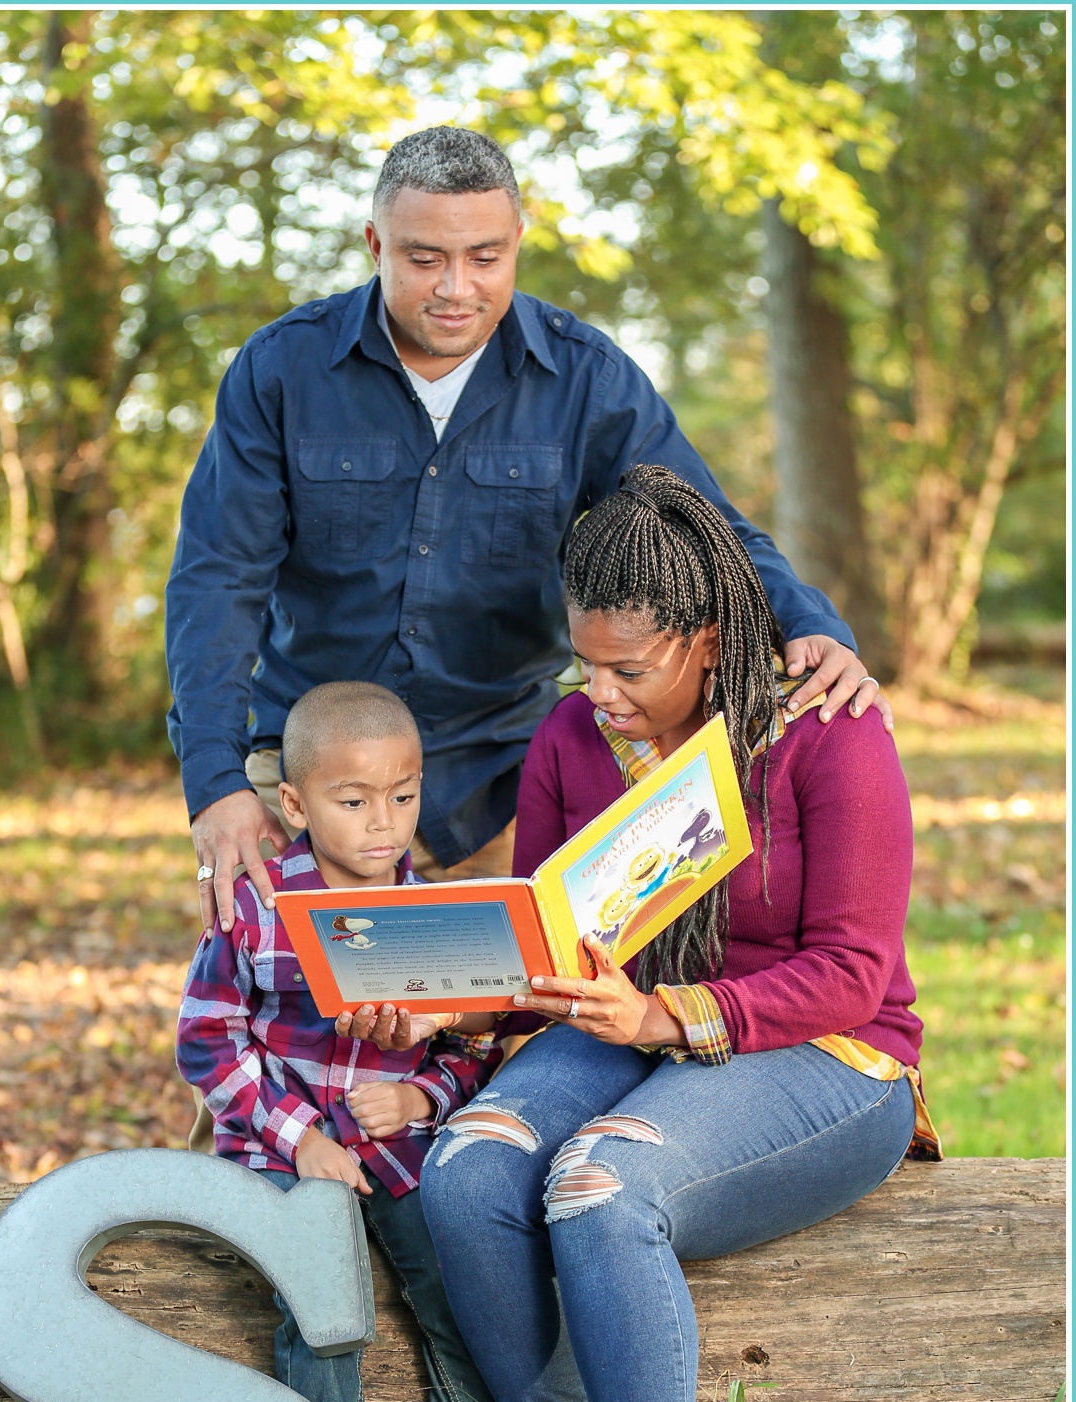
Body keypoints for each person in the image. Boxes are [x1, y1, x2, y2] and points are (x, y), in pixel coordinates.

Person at [412, 466, 940, 1402]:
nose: (599, 696)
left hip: (823, 1053)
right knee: (473, 1166)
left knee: (599, 1184)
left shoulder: (824, 730)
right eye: (584, 664)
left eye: (630, 671)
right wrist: (450, 996)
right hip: (621, 1026)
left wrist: (670, 1012)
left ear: (708, 641)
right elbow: (548, 937)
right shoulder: (569, 734)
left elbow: (855, 972)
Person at [164, 125, 891, 941]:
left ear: (518, 242)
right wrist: (217, 783)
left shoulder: (586, 378)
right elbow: (216, 580)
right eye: (424, 258)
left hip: (506, 793)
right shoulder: (280, 372)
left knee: (497, 1052)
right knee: (277, 1047)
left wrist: (812, 625)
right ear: (375, 244)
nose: (455, 287)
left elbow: (705, 529)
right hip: (307, 787)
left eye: (484, 257)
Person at [175, 682, 546, 1402]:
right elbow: (210, 1042)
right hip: (284, 1155)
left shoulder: (436, 911)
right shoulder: (257, 904)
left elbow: (474, 1046)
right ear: (294, 803)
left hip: (403, 1149)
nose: (384, 824)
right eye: (354, 800)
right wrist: (307, 1138)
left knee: (461, 1279)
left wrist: (423, 1095)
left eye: (405, 795)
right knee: (324, 1307)